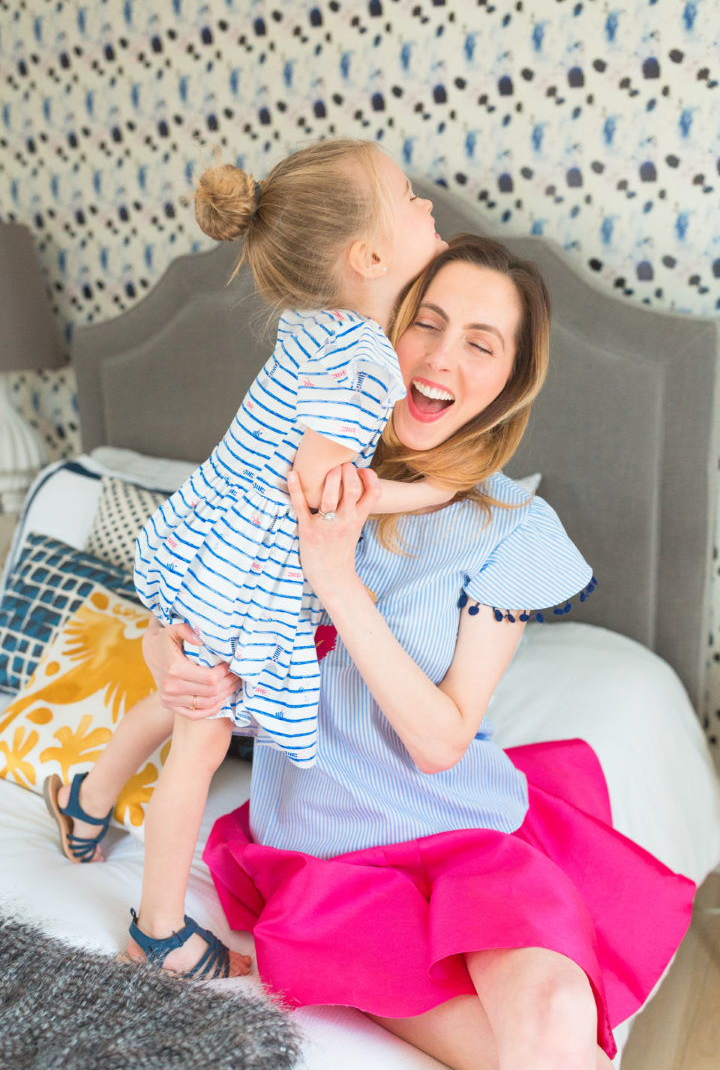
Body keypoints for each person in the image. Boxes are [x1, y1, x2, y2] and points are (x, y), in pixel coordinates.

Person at [143, 235, 694, 1067]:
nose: (439, 359)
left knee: (549, 1006)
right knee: (518, 1043)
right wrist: (168, 660)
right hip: (324, 852)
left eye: (480, 343)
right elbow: (186, 608)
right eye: (425, 324)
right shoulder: (291, 479)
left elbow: (440, 742)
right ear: (384, 332)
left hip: (461, 828)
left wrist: (338, 581)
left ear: (510, 381)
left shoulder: (510, 527)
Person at [44, 138, 452, 978]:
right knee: (201, 736)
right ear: (370, 255)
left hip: (204, 548)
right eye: (411, 197)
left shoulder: (316, 328)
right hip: (241, 578)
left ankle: (84, 803)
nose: (429, 207)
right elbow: (323, 489)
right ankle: (159, 934)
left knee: (179, 698)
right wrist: (432, 493)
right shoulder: (367, 357)